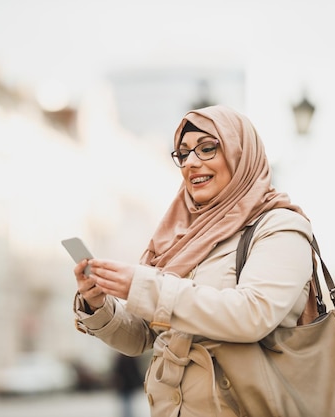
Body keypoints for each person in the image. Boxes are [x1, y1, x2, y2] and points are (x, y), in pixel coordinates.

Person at [72, 104, 316, 416]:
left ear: (240, 154)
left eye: (207, 148)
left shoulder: (280, 226)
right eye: (184, 153)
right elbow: (142, 337)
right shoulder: (182, 237)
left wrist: (144, 285)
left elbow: (253, 315)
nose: (191, 162)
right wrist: (98, 305)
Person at [112, 353, 145, 417]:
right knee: (127, 403)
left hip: (126, 385)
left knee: (127, 403)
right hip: (125, 385)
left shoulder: (122, 359)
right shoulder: (128, 359)